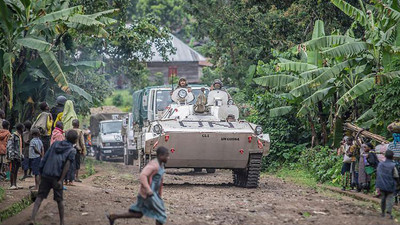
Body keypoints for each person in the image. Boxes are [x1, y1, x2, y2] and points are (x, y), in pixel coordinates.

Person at [107, 146, 170, 225]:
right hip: (148, 195)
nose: (168, 157)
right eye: (166, 155)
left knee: (138, 214)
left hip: (151, 195)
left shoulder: (161, 165)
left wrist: (159, 195)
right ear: (161, 155)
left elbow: (159, 182)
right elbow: (143, 175)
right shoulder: (154, 165)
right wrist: (148, 190)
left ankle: (113, 216)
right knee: (161, 214)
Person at [30, 130, 78, 225]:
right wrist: (61, 180)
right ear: (75, 140)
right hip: (57, 177)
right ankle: (62, 222)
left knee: (39, 197)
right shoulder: (72, 150)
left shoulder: (55, 144)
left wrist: (40, 172)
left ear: (65, 137)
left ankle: (32, 218)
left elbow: (45, 157)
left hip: (46, 174)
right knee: (59, 201)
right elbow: (67, 166)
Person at [376, 150, 400, 219]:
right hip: (390, 185)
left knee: (383, 198)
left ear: (385, 156)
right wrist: (398, 184)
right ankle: (388, 213)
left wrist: (378, 184)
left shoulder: (380, 164)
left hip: (381, 184)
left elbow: (378, 173)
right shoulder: (393, 165)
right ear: (392, 157)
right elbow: (396, 176)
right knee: (390, 198)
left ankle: (382, 212)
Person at [65, 119, 86, 185]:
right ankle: (76, 177)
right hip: (77, 149)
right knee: (77, 163)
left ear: (72, 124)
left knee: (69, 163)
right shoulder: (80, 131)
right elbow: (82, 142)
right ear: (78, 124)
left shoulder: (68, 131)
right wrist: (83, 150)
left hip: (69, 149)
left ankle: (67, 178)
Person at [6, 123, 24, 190]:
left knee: (16, 170)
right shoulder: (13, 136)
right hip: (13, 156)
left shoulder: (19, 136)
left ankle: (15, 183)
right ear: (20, 129)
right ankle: (12, 184)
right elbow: (10, 146)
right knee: (12, 170)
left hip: (18, 156)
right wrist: (11, 155)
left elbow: (20, 147)